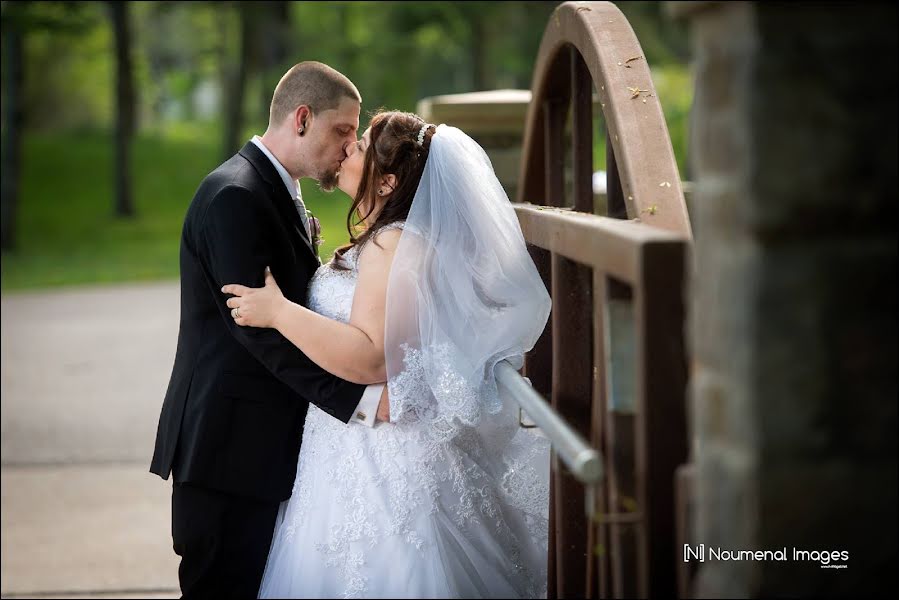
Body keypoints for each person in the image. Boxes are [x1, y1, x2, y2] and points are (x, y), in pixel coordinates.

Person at [221, 111, 552, 598]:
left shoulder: (389, 242)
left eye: (357, 148)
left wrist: (278, 312)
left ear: (388, 180)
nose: (346, 149)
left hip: (376, 450)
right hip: (370, 437)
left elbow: (371, 356)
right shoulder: (406, 238)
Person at [149, 62, 390, 598]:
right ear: (302, 118)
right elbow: (261, 335)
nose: (352, 147)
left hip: (262, 452)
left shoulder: (272, 190)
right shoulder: (236, 195)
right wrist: (361, 401)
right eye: (342, 131)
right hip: (227, 458)